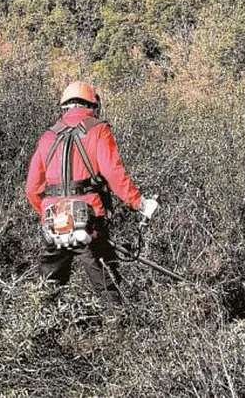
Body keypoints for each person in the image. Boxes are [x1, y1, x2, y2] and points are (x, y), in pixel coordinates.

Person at [25, 81, 157, 308]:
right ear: (92, 104)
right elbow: (113, 173)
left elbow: (32, 189)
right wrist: (141, 203)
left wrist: (47, 213)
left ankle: (38, 333)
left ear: (64, 106)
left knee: (47, 290)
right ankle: (118, 331)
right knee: (107, 286)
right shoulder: (98, 129)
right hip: (89, 221)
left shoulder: (48, 136)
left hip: (54, 223)